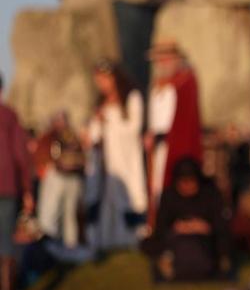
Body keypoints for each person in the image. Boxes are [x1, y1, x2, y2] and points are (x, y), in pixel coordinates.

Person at [141, 157, 231, 282]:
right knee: (149, 243)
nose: (187, 186)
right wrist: (179, 227)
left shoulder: (210, 194)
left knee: (225, 241)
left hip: (205, 241)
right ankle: (168, 261)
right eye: (184, 182)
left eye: (191, 181)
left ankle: (217, 263)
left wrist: (204, 227)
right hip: (176, 240)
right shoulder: (169, 196)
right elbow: (161, 226)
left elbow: (220, 224)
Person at [89, 61, 148, 249]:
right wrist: (97, 124)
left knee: (131, 194)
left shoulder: (132, 97)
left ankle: (135, 237)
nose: (102, 84)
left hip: (127, 157)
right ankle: (110, 239)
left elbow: (134, 128)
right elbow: (94, 134)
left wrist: (110, 121)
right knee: (109, 197)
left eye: (104, 79)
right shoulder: (100, 102)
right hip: (107, 160)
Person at [145, 40, 203, 228]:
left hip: (175, 145)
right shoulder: (158, 86)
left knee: (171, 183)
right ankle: (157, 226)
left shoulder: (185, 81)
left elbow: (185, 121)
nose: (161, 64)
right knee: (156, 186)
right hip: (158, 148)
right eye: (158, 60)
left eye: (164, 59)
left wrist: (163, 136)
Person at [0, 72, 34, 290]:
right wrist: (28, 191)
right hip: (8, 187)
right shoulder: (10, 117)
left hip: (8, 187)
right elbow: (22, 156)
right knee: (7, 249)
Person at [35, 111, 86, 247]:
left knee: (70, 214)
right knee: (52, 213)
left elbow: (82, 159)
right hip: (56, 179)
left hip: (72, 179)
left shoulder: (73, 136)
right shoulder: (48, 138)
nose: (60, 124)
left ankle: (71, 246)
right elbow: (42, 159)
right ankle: (51, 244)